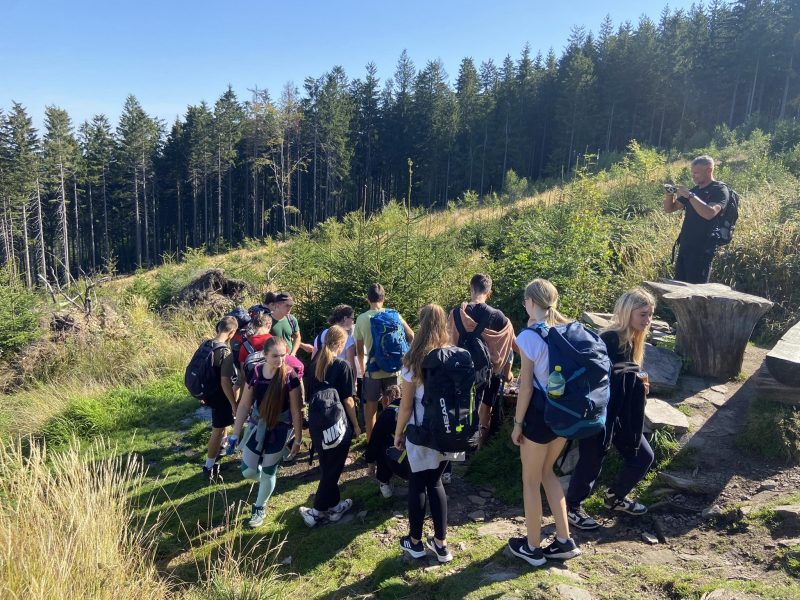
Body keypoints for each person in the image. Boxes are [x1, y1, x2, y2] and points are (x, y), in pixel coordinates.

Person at [565, 288, 656, 530]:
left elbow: (627, 371)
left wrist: (638, 381)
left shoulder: (633, 340)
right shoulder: (609, 339)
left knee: (643, 456)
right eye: (643, 314)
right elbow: (596, 376)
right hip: (599, 412)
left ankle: (615, 497)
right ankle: (572, 507)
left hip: (622, 413)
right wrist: (630, 378)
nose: (648, 320)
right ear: (627, 312)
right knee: (592, 459)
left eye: (650, 315)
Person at [508, 279, 580, 567]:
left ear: (530, 302)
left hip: (538, 416)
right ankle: (564, 540)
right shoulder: (566, 330)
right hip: (564, 414)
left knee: (530, 480)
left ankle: (533, 547)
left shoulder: (528, 337)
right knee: (548, 472)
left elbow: (526, 388)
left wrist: (517, 424)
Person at [393, 304, 462, 564]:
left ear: (421, 325)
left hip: (421, 432)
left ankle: (415, 542)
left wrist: (398, 433)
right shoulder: (453, 354)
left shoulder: (414, 359)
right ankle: (442, 545)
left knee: (417, 484)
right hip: (448, 431)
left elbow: (406, 406)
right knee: (436, 482)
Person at [231, 337, 304, 528]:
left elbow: (297, 410)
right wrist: (234, 434)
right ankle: (266, 481)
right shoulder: (255, 372)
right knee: (248, 471)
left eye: (283, 355)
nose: (280, 360)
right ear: (265, 355)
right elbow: (244, 405)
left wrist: (298, 439)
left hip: (280, 429)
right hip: (258, 426)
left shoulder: (290, 376)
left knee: (269, 471)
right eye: (275, 356)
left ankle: (259, 507)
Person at [299, 325, 362, 527]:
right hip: (337, 423)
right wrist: (356, 425)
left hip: (317, 422)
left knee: (328, 465)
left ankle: (335, 507)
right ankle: (316, 512)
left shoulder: (314, 362)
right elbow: (348, 400)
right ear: (341, 344)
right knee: (332, 471)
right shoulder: (342, 365)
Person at [448, 273, 515, 448]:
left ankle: (458, 445)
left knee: (460, 408)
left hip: (461, 372)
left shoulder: (456, 314)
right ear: (489, 293)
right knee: (485, 410)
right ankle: (478, 448)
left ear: (471, 289)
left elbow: (447, 343)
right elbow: (513, 345)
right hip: (489, 373)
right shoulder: (499, 317)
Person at [355, 283, 414, 441]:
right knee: (393, 408)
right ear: (383, 298)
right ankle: (392, 443)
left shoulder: (362, 318)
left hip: (373, 371)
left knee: (371, 411)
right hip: (394, 369)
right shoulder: (394, 315)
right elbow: (411, 335)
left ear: (368, 299)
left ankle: (372, 447)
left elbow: (359, 350)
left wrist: (363, 370)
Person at [663, 155, 730, 284]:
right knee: (679, 287)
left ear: (709, 170)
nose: (693, 176)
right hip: (685, 246)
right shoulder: (694, 191)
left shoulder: (720, 190)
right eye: (692, 173)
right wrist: (669, 194)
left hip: (702, 249)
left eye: (696, 173)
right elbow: (669, 208)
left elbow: (710, 213)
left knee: (696, 290)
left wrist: (690, 196)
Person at [201, 316, 238, 481]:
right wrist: (233, 403)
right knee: (217, 430)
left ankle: (222, 447)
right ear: (232, 332)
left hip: (208, 392)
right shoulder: (224, 352)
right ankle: (208, 466)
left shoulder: (207, 344)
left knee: (222, 426)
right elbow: (225, 381)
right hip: (219, 396)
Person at [364, 384, 404, 497]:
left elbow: (374, 441)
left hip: (400, 461)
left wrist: (370, 462)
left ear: (387, 399)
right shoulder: (413, 407)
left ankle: (384, 483)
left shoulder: (387, 415)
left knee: (382, 443)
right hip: (421, 459)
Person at [312, 304, 358, 379]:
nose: (353, 322)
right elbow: (351, 366)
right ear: (345, 318)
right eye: (352, 318)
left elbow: (313, 359)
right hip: (339, 380)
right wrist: (354, 382)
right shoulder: (347, 338)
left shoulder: (321, 334)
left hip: (320, 378)